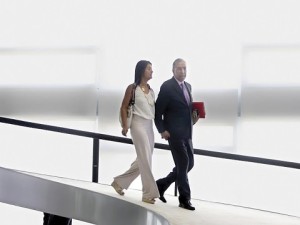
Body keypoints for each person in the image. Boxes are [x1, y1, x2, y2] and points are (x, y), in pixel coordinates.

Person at [111, 60, 159, 204]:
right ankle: (148, 193)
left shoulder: (151, 91)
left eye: (152, 69)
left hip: (149, 125)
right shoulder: (132, 88)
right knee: (145, 159)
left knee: (143, 159)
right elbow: (123, 107)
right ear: (141, 71)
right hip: (137, 124)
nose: (152, 71)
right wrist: (125, 126)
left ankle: (119, 182)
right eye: (149, 69)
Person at [154, 58, 199, 210]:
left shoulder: (188, 86)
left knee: (189, 164)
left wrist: (194, 117)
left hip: (187, 133)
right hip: (173, 134)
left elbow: (186, 110)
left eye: (184, 68)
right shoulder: (167, 87)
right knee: (184, 163)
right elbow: (157, 112)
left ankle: (161, 185)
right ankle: (184, 199)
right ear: (173, 70)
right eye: (179, 68)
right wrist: (162, 130)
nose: (182, 71)